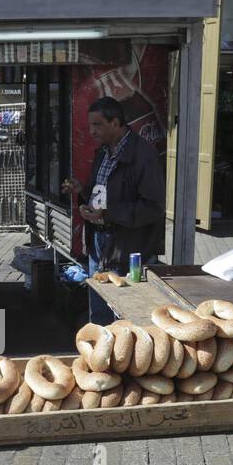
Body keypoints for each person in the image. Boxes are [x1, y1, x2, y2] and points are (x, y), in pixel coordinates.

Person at [63, 96, 167, 326]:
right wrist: (83, 191)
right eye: (90, 125)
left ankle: (122, 360)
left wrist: (107, 213)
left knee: (126, 317)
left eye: (97, 124)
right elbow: (102, 196)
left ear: (115, 123)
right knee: (99, 315)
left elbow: (154, 208)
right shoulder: (102, 153)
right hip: (99, 245)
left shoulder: (143, 156)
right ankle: (102, 359)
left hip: (127, 247)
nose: (91, 131)